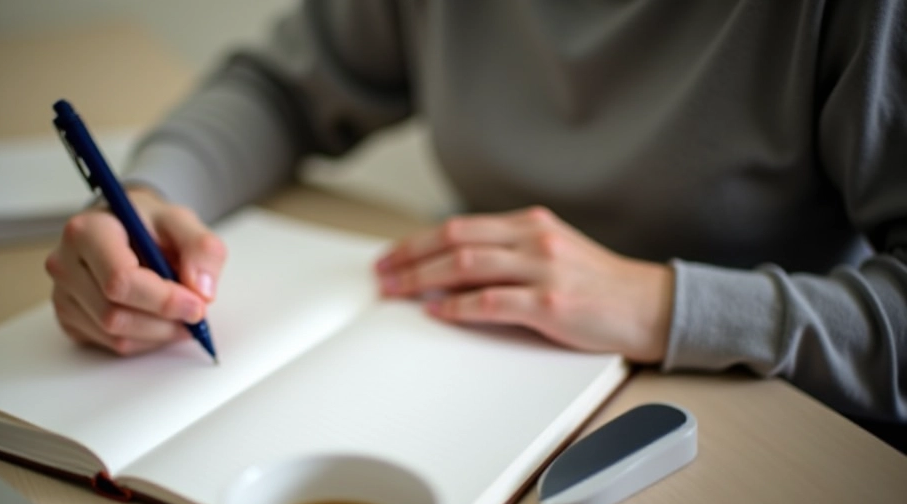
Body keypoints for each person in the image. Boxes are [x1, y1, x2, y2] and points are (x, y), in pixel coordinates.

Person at [44, 1, 907, 442]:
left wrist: (659, 304)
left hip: (759, 422)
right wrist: (149, 196)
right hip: (467, 366)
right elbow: (280, 87)